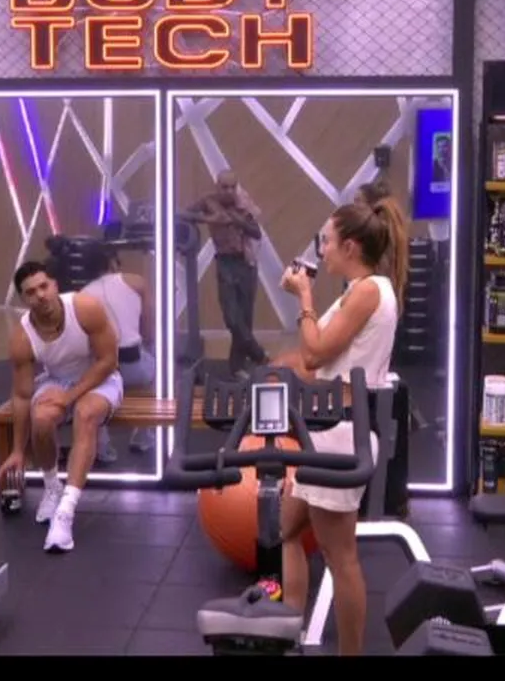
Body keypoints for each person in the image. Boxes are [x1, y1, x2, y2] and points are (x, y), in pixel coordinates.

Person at [274, 182, 408, 656]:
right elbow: (317, 358)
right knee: (287, 531)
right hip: (325, 429)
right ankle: (289, 633)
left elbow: (315, 354)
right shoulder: (361, 291)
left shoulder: (368, 292)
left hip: (341, 432)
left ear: (349, 246)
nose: (322, 250)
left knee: (340, 556)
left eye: (327, 241)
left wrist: (304, 296)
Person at [0, 260, 121, 552]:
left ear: (55, 286)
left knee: (85, 413)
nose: (40, 295)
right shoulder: (22, 336)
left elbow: (108, 361)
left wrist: (70, 397)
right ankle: (52, 486)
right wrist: (18, 450)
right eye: (31, 292)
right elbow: (22, 395)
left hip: (100, 378)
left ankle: (66, 512)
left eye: (44, 286)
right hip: (57, 380)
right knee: (41, 418)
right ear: (24, 300)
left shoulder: (84, 307)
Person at [184, 170, 267, 378]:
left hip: (246, 263)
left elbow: (256, 233)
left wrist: (236, 221)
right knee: (231, 317)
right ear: (217, 186)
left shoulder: (243, 203)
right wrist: (209, 218)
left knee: (244, 318)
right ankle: (258, 354)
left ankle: (237, 367)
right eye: (225, 187)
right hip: (225, 262)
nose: (229, 191)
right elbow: (184, 214)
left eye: (233, 187)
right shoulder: (208, 201)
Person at [79, 245, 157, 460]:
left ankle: (101, 444)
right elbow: (149, 332)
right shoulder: (137, 282)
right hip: (136, 368)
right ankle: (144, 435)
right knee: (158, 361)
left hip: (103, 372)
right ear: (112, 262)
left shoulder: (82, 296)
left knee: (88, 369)